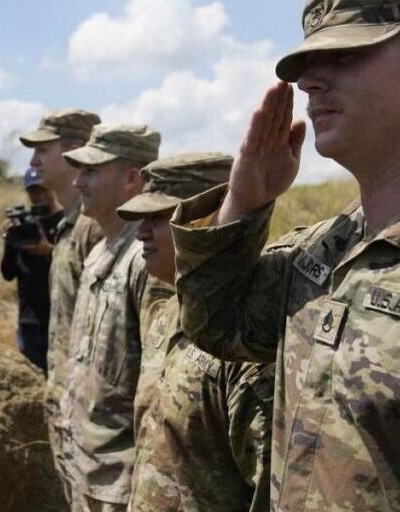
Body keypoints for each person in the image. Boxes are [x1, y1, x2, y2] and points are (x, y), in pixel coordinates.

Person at [171, 0, 400, 509]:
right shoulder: (326, 247)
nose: (308, 83)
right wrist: (243, 203)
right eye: (306, 64)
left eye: (344, 56)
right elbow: (217, 326)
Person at [117, 153, 273, 512]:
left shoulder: (248, 340)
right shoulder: (163, 313)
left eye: (158, 217)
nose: (141, 233)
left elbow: (270, 489)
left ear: (208, 219)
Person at [58, 123, 160, 511]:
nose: (77, 182)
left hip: (123, 480)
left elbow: (156, 390)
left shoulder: (146, 259)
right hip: (87, 468)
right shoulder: (99, 252)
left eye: (91, 171)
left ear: (132, 178)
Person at [18, 108, 103, 497]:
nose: (33, 162)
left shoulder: (95, 228)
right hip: (68, 401)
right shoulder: (71, 225)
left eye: (42, 150)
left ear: (74, 151)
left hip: (92, 411)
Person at [0, 167, 64, 373]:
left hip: (59, 316)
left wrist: (48, 250)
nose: (39, 196)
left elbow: (77, 265)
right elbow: (8, 273)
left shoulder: (64, 222)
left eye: (42, 190)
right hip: (30, 319)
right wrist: (10, 239)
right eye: (33, 192)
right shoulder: (23, 224)